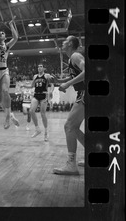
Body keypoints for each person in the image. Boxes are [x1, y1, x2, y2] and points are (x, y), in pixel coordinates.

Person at [51, 35, 85, 175]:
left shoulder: (76, 56)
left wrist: (67, 84)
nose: (63, 43)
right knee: (74, 128)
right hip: (83, 93)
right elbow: (74, 76)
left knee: (69, 126)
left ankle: (71, 165)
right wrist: (60, 80)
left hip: (85, 93)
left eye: (65, 41)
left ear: (70, 43)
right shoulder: (73, 59)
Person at [0, 0, 20, 129]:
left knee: (6, 91)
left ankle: (7, 117)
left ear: (4, 37)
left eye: (3, 33)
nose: (1, 34)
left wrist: (11, 25)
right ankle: (10, 114)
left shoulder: (6, 46)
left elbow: (16, 37)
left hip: (3, 71)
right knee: (1, 99)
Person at [21, 63, 54, 141]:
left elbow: (52, 84)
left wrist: (51, 91)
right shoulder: (35, 76)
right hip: (36, 95)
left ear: (43, 68)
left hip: (43, 95)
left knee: (43, 114)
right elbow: (32, 86)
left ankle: (46, 132)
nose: (39, 68)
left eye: (41, 66)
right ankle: (37, 129)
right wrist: (24, 85)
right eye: (38, 67)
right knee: (31, 111)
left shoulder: (47, 76)